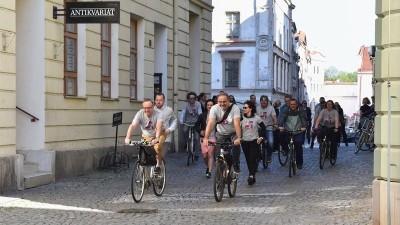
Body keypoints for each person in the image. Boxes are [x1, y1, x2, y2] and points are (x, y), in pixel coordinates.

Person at [202, 92, 242, 173]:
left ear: (228, 101)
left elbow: (237, 123)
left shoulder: (235, 108)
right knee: (218, 153)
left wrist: (238, 137)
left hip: (233, 132)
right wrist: (206, 137)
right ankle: (220, 170)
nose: (222, 104)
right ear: (217, 101)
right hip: (221, 133)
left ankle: (236, 163)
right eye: (220, 102)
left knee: (235, 145)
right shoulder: (214, 108)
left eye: (224, 101)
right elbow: (210, 123)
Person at [125, 98, 166, 175]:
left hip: (160, 134)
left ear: (153, 107)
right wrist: (128, 137)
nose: (147, 110)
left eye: (149, 108)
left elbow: (159, 125)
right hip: (147, 136)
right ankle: (145, 178)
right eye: (145, 108)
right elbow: (133, 125)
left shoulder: (159, 113)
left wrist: (157, 138)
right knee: (142, 152)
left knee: (158, 147)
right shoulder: (140, 113)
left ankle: (159, 165)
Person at [241, 100, 266, 186]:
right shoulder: (241, 118)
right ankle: (252, 174)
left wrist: (261, 137)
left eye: (245, 107)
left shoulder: (256, 118)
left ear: (250, 108)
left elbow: (263, 128)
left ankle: (251, 175)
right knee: (248, 159)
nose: (243, 109)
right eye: (243, 107)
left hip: (254, 141)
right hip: (244, 141)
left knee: (252, 158)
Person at [278, 99, 307, 169]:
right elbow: (282, 118)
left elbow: (303, 118)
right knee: (281, 135)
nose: (293, 106)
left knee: (299, 144)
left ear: (296, 105)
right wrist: (280, 125)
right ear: (289, 105)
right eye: (291, 104)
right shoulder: (286, 110)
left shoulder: (301, 110)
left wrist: (304, 127)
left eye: (294, 104)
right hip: (288, 130)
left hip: (298, 131)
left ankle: (299, 163)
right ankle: (285, 149)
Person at [194, 99, 216, 178]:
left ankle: (209, 171)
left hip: (213, 137)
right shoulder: (202, 115)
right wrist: (200, 131)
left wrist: (218, 132)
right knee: (204, 156)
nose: (210, 106)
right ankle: (208, 166)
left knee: (210, 154)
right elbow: (196, 125)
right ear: (206, 106)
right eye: (208, 105)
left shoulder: (217, 116)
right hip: (203, 138)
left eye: (211, 105)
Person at [179, 91, 202, 158]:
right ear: (188, 99)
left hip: (196, 122)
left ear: (195, 99)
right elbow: (183, 112)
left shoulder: (198, 104)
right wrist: (181, 119)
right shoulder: (186, 105)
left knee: (197, 138)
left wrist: (201, 120)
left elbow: (200, 112)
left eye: (193, 98)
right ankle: (186, 143)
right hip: (187, 122)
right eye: (190, 98)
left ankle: (196, 154)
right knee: (184, 130)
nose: (192, 100)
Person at [256, 95, 277, 163]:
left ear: (267, 102)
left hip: (268, 127)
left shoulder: (271, 108)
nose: (263, 104)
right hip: (259, 128)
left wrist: (275, 124)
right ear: (260, 102)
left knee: (271, 142)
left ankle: (269, 156)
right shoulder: (257, 108)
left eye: (265, 103)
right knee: (255, 143)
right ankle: (258, 155)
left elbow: (274, 117)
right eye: (262, 103)